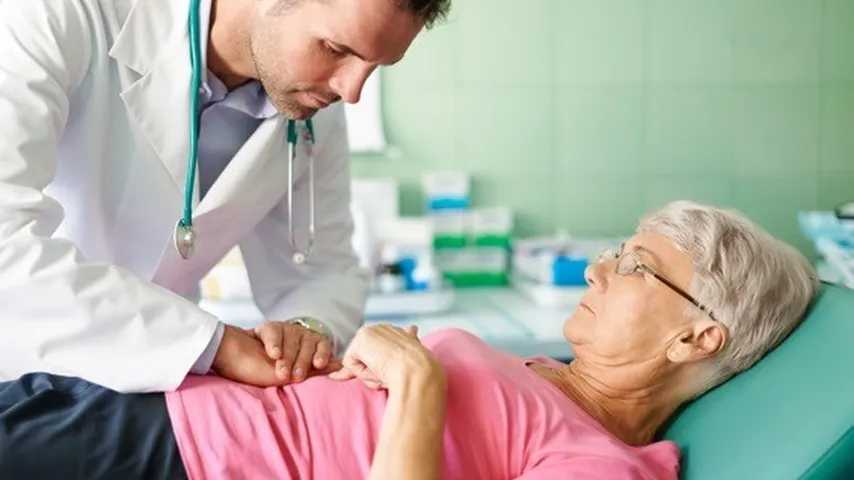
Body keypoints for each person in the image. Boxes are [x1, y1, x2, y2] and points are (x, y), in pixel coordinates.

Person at [0, 201, 819, 479]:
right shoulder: (551, 377)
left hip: (181, 457)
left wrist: (418, 383)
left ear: (695, 337)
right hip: (156, 403)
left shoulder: (599, 461)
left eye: (637, 263)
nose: (601, 267)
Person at [0, 0, 450, 393]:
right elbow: (6, 245)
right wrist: (215, 345)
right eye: (336, 49)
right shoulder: (59, 13)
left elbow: (320, 269)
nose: (351, 91)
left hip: (155, 396)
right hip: (19, 371)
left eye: (375, 67)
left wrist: (306, 331)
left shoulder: (313, 112)